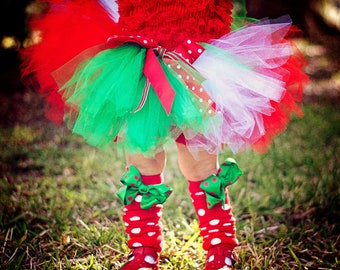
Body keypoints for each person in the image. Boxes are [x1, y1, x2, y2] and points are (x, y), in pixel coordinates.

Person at [21, 0, 309, 269]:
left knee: (201, 161)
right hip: (139, 64)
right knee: (143, 158)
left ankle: (220, 245)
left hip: (200, 65)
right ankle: (143, 248)